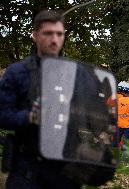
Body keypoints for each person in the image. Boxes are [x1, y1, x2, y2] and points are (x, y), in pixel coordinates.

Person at [0, 10, 81, 189]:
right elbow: (2, 115)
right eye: (48, 33)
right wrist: (30, 117)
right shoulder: (17, 72)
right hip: (27, 170)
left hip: (65, 170)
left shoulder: (73, 74)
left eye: (59, 34)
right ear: (35, 35)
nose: (54, 40)